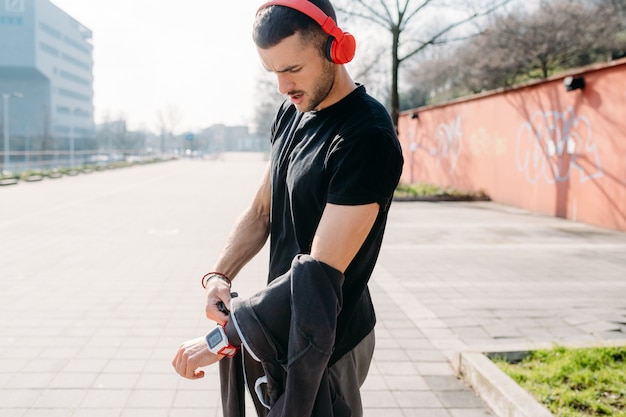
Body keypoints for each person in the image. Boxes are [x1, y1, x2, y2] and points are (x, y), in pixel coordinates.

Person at [172, 0, 403, 416]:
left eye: (292, 70)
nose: (282, 86)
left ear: (337, 50)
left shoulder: (365, 138)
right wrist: (219, 274)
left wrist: (227, 336)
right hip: (280, 324)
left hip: (329, 336)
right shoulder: (293, 111)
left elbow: (319, 274)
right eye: (273, 72)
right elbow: (262, 209)